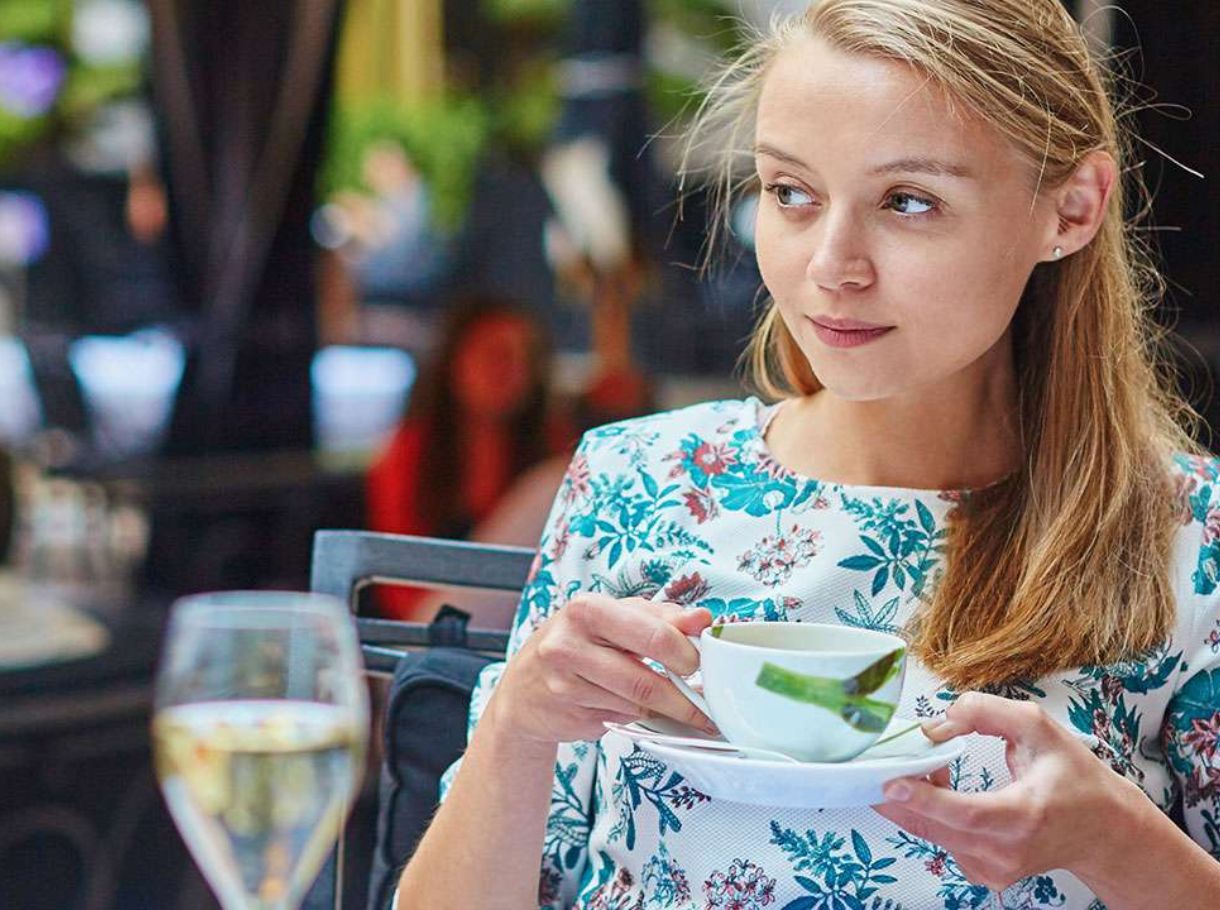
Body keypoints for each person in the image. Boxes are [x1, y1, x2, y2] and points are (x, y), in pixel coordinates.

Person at [397, 1, 1220, 907]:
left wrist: (1117, 841)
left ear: (1072, 207)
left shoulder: (1190, 536)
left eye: (908, 201)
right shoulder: (635, 481)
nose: (832, 265)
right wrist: (517, 727)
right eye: (791, 193)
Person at [367, 294, 571, 620]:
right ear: (454, 362)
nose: (512, 371)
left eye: (526, 359)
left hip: (527, 623)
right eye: (496, 356)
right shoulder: (411, 450)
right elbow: (393, 575)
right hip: (428, 625)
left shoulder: (551, 445)